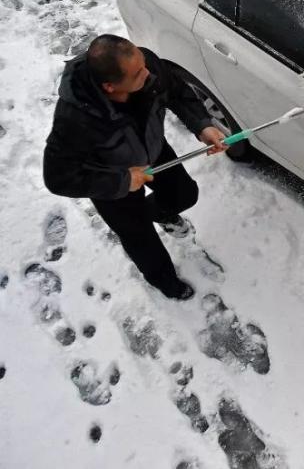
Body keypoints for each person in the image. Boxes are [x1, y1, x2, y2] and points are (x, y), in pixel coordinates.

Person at [43, 35, 229, 300]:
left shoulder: (146, 66)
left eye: (143, 65)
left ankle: (157, 213)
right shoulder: (75, 118)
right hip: (110, 179)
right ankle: (165, 281)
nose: (148, 73)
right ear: (110, 86)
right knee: (139, 237)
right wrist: (121, 181)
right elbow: (57, 178)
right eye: (138, 73)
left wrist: (202, 124)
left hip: (152, 151)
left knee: (184, 194)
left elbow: (176, 90)